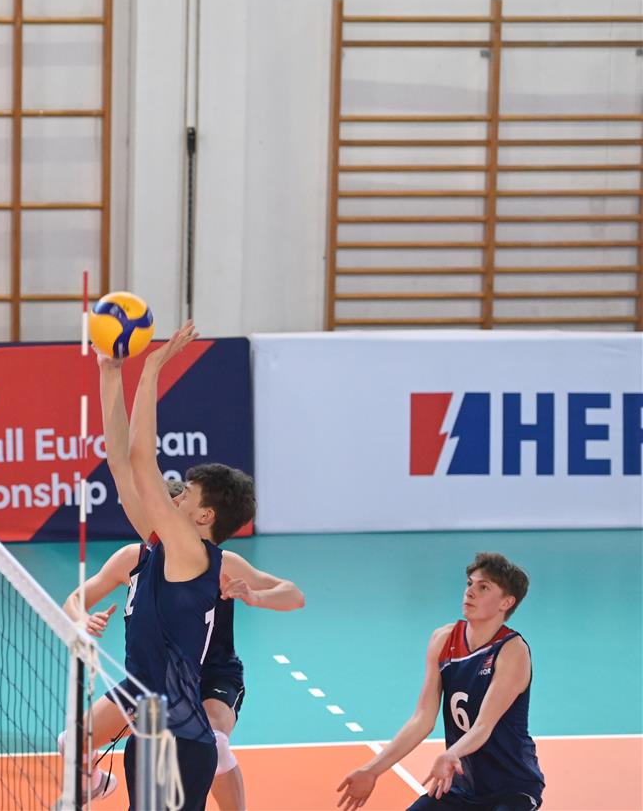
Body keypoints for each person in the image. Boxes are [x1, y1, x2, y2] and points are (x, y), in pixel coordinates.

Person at [72, 322, 254, 811]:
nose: (170, 499)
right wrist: (110, 373)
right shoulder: (156, 549)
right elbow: (119, 462)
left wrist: (153, 367)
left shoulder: (193, 556)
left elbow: (139, 460)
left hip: (187, 729)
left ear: (202, 516)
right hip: (149, 722)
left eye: (184, 495)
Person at [65, 480, 304, 810]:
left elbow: (293, 595)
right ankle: (95, 784)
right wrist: (81, 619)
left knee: (215, 742)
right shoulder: (133, 559)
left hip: (211, 677)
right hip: (152, 678)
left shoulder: (216, 562)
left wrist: (254, 596)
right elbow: (76, 600)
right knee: (74, 741)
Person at [337, 553, 543, 811]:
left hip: (512, 789)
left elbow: (483, 725)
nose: (470, 592)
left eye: (483, 587)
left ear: (506, 602)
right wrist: (372, 770)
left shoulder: (511, 651)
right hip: (461, 787)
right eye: (469, 583)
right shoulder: (443, 639)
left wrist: (451, 753)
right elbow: (422, 719)